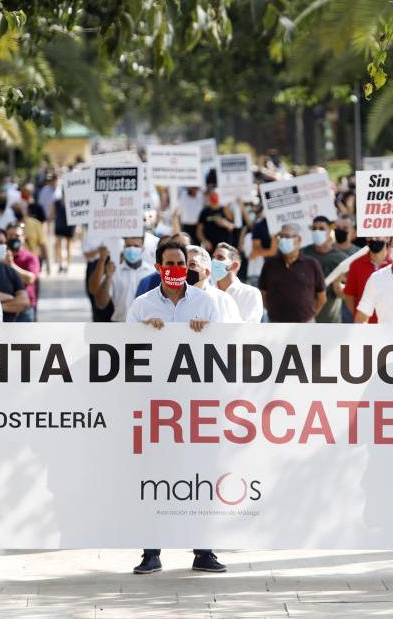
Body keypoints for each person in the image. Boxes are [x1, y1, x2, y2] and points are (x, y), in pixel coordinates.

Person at [126, 240, 226, 575]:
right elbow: (124, 353)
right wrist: (144, 335)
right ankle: (151, 552)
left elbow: (225, 349)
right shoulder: (141, 307)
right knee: (155, 475)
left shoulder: (205, 302)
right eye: (169, 264)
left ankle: (203, 550)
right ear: (158, 268)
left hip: (196, 403)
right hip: (155, 404)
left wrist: (205, 334)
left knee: (198, 472)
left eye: (181, 263)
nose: (175, 269)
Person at [258, 223, 326, 323]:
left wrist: (310, 316)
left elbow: (322, 297)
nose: (283, 240)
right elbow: (263, 293)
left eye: (287, 236)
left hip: (305, 324)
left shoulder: (311, 264)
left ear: (299, 239)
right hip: (275, 323)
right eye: (281, 236)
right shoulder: (270, 264)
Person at [301, 216, 353, 324]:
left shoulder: (341, 259)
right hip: (304, 318)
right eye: (314, 228)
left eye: (321, 228)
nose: (317, 231)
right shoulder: (302, 254)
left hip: (331, 320)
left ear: (329, 230)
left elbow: (346, 295)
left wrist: (337, 284)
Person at [92, 236, 157, 322]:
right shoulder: (113, 272)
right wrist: (108, 277)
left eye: (136, 246)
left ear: (143, 249)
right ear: (124, 248)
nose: (132, 249)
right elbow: (100, 303)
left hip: (146, 327)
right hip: (120, 325)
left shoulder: (152, 273)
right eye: (128, 246)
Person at [343, 236, 392, 322]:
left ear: (387, 238)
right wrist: (359, 315)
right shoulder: (356, 265)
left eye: (377, 236)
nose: (373, 240)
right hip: (364, 325)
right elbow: (349, 295)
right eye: (369, 237)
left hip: (389, 324)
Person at [187, 245, 241, 322]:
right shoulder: (168, 298)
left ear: (207, 272)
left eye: (192, 264)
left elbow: (234, 331)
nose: (185, 269)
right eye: (182, 264)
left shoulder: (222, 300)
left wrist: (209, 327)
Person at [213, 243, 264, 322]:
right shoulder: (207, 292)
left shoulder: (251, 293)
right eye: (213, 258)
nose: (214, 261)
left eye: (220, 257)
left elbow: (250, 327)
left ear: (235, 265)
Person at [5, 221, 40, 321]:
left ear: (23, 237)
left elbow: (30, 279)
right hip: (6, 306)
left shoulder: (31, 258)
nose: (13, 238)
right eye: (10, 235)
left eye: (17, 236)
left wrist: (11, 265)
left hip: (25, 308)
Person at [196, 186, 237, 251]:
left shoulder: (225, 210)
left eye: (216, 195)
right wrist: (205, 241)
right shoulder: (205, 211)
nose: (214, 197)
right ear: (208, 197)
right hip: (210, 247)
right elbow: (199, 231)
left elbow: (233, 227)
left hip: (225, 247)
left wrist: (225, 224)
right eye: (212, 195)